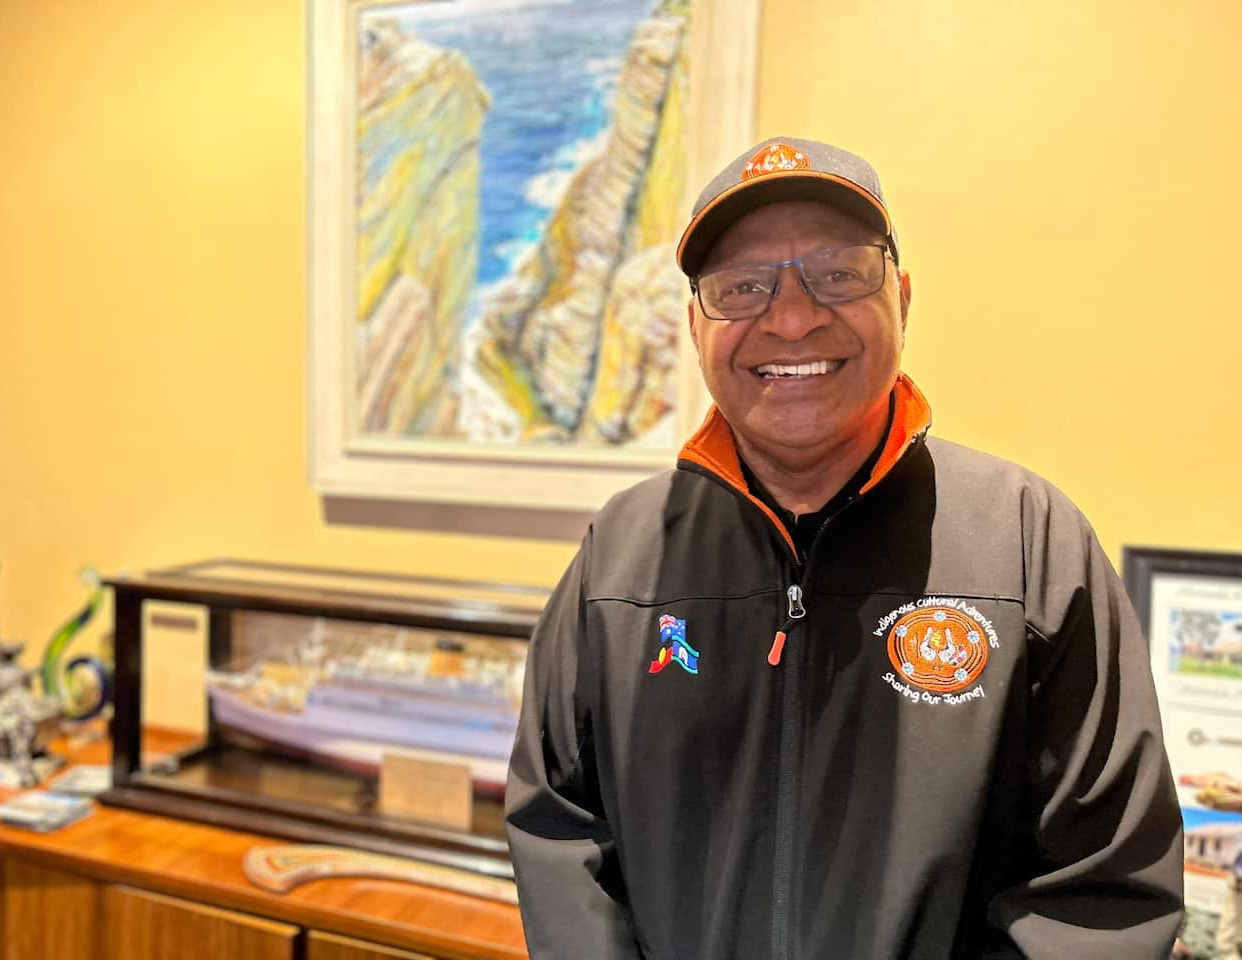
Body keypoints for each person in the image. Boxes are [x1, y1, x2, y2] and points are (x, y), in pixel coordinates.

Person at [504, 136, 1184, 958]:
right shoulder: (621, 556)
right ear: (695, 323)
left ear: (901, 296)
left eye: (838, 273)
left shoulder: (1028, 540)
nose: (791, 319)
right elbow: (559, 830)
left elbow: (1104, 890)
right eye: (743, 286)